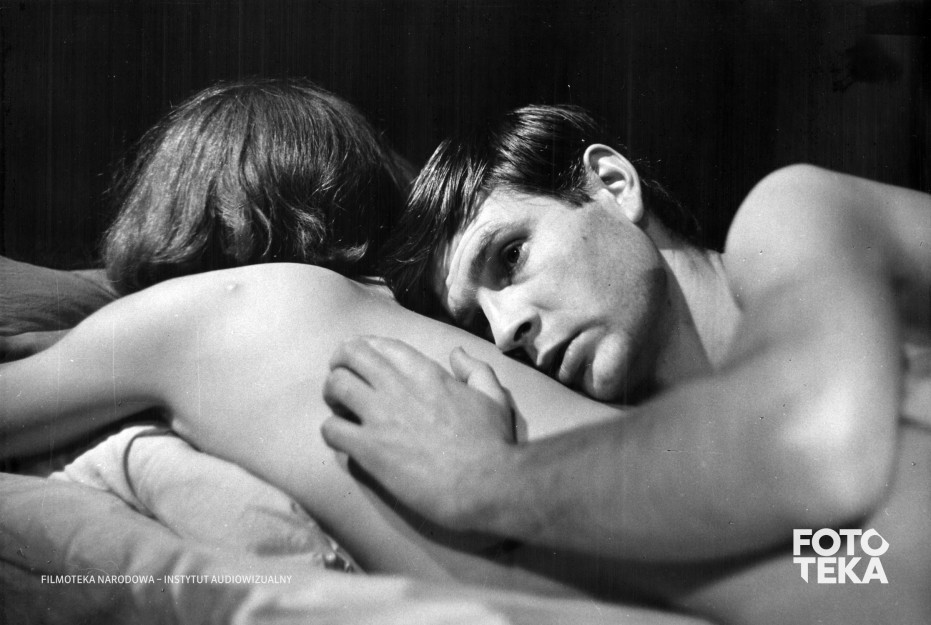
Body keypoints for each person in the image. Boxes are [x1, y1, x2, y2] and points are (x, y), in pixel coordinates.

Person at [319, 105, 931, 623]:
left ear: (612, 185)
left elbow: (815, 443)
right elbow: (877, 574)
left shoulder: (788, 215)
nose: (505, 332)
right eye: (479, 324)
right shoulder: (652, 489)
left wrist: (481, 477)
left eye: (510, 257)